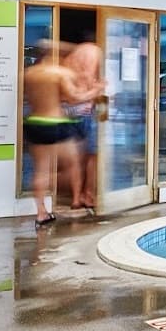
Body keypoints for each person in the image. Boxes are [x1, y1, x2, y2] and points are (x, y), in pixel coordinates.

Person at [21, 45, 104, 227]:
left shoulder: (30, 73)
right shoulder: (58, 73)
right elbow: (74, 97)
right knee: (74, 164)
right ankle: (75, 199)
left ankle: (41, 212)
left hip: (34, 123)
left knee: (40, 170)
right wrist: (96, 91)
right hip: (55, 124)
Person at [62, 37, 102, 210]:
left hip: (66, 110)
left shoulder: (69, 58)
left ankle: (76, 198)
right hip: (85, 110)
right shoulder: (95, 52)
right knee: (93, 156)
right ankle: (88, 195)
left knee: (75, 159)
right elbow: (94, 81)